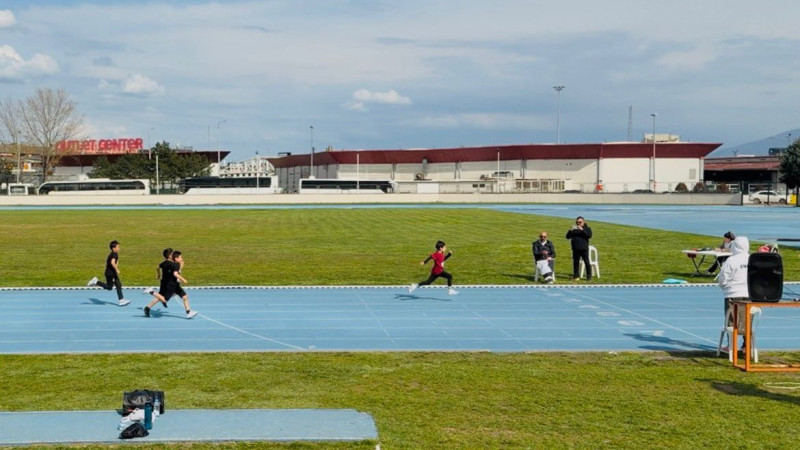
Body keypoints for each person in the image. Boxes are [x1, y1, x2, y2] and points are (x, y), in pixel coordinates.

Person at [717, 235, 750, 351]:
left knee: (731, 320)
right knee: (746, 320)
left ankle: (731, 345)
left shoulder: (731, 260)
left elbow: (722, 278)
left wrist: (724, 287)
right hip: (749, 295)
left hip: (732, 294)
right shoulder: (752, 259)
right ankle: (747, 345)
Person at [144, 250, 198, 319]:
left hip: (172, 283)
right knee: (162, 298)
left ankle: (189, 312)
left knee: (184, 296)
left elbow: (160, 267)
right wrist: (182, 278)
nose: (173, 255)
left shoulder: (168, 263)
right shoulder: (171, 264)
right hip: (169, 284)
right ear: (170, 256)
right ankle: (151, 292)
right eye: (172, 254)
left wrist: (159, 275)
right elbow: (175, 273)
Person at [87, 240, 130, 306]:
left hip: (111, 273)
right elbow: (112, 262)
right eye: (118, 247)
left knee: (113, 286)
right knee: (115, 286)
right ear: (113, 248)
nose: (119, 248)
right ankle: (96, 281)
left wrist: (116, 265)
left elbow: (114, 262)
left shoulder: (113, 254)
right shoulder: (114, 254)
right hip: (110, 273)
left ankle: (121, 300)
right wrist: (117, 269)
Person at [565, 216, 592, 281]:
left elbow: (589, 235)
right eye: (577, 222)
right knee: (575, 263)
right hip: (575, 248)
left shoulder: (587, 229)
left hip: (584, 248)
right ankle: (576, 276)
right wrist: (570, 231)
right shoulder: (574, 229)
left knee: (586, 262)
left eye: (580, 222)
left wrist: (582, 230)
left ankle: (589, 277)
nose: (578, 224)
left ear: (583, 222)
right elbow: (567, 237)